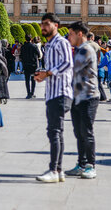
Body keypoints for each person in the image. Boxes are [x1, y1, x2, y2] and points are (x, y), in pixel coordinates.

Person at [34, 13, 74, 183]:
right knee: (56, 132)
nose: (43, 27)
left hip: (61, 93)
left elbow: (67, 63)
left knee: (54, 131)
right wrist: (42, 74)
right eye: (42, 24)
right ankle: (58, 170)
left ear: (56, 25)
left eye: (47, 24)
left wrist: (48, 73)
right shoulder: (49, 45)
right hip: (52, 93)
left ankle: (54, 170)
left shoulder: (61, 42)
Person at [64, 21, 100, 180]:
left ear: (80, 34)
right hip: (77, 96)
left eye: (71, 34)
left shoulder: (87, 50)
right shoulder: (79, 50)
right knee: (79, 132)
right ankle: (81, 164)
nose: (68, 37)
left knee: (86, 131)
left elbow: (71, 69)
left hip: (89, 96)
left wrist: (48, 73)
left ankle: (91, 166)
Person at [20, 34, 40, 99]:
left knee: (27, 80)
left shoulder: (23, 47)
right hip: (33, 65)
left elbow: (21, 56)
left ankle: (28, 93)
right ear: (31, 39)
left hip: (26, 65)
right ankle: (32, 93)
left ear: (25, 39)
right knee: (33, 79)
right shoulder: (34, 46)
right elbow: (39, 54)